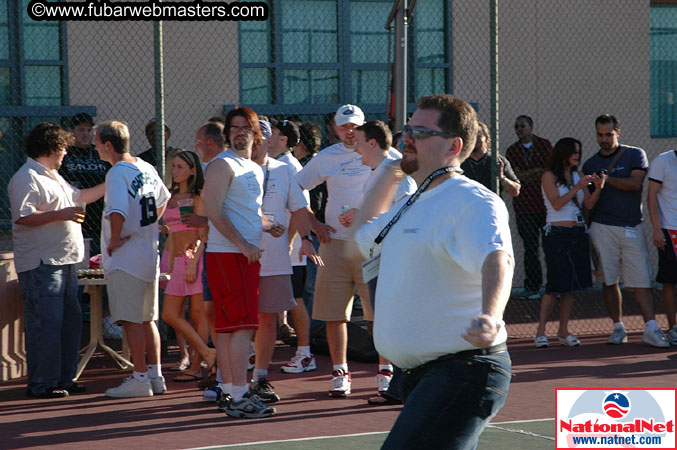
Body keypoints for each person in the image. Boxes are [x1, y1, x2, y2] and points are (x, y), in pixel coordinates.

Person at [347, 94, 513, 449]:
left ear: (453, 146)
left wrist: (490, 315)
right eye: (407, 129)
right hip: (421, 376)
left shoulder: (473, 200)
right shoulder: (412, 203)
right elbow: (358, 240)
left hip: (463, 370)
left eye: (420, 132)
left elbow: (498, 258)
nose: (407, 137)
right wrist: (391, 173)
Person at [9, 122, 105, 398]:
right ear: (51, 148)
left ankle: (64, 378)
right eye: (62, 149)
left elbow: (82, 197)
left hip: (66, 263)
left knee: (69, 323)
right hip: (42, 265)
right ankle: (42, 383)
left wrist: (112, 181)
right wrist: (60, 214)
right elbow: (22, 216)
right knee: (46, 324)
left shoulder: (54, 176)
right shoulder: (26, 177)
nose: (65, 154)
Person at [203, 107, 275, 418]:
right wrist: (243, 244)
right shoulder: (222, 165)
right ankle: (239, 395)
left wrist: (268, 224)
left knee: (233, 328)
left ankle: (233, 393)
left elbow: (245, 211)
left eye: (246, 127)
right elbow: (214, 212)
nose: (240, 132)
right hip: (229, 255)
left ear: (257, 132)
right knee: (241, 327)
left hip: (242, 254)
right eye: (234, 127)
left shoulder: (254, 168)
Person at [296, 104, 372, 397]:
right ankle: (340, 372)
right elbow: (297, 187)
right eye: (344, 127)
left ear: (364, 126)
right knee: (334, 315)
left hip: (371, 246)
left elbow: (403, 192)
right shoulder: (326, 158)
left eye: (354, 126)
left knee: (377, 314)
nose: (349, 132)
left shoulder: (386, 156)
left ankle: (386, 374)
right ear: (335, 129)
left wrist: (364, 214)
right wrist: (314, 223)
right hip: (334, 245)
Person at [95, 121, 171, 397]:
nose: (94, 146)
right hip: (148, 253)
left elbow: (117, 210)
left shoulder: (117, 173)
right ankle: (155, 375)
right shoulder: (146, 166)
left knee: (131, 320)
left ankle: (140, 378)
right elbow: (164, 199)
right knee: (147, 318)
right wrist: (148, 224)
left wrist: (115, 238)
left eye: (97, 141)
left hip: (127, 258)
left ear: (108, 145)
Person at [582, 114, 669, 348]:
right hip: (602, 227)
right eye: (600, 135)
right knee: (609, 280)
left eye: (608, 134)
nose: (604, 139)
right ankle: (618, 328)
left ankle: (651, 328)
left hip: (632, 225)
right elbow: (589, 200)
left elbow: (635, 184)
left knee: (641, 280)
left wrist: (607, 180)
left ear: (618, 133)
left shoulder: (635, 154)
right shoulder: (590, 164)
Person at [250, 120, 322, 402]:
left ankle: (304, 353)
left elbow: (301, 208)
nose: (261, 141)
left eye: (269, 135)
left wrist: (294, 240)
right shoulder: (243, 167)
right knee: (266, 310)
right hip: (267, 251)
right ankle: (245, 364)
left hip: (285, 252)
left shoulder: (288, 167)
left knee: (294, 300)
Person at [350, 120, 417, 403]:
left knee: (397, 322)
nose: (355, 148)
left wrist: (367, 223)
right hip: (378, 260)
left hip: (396, 261)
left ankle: (405, 385)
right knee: (387, 322)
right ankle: (401, 385)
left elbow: (404, 218)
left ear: (373, 143)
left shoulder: (400, 176)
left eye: (359, 141)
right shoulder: (375, 175)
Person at [534, 138, 603, 348]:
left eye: (579, 152)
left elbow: (589, 204)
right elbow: (556, 204)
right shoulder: (549, 176)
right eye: (573, 151)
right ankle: (540, 332)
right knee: (555, 284)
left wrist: (599, 188)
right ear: (563, 152)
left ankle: (563, 331)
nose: (577, 155)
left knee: (571, 285)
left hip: (578, 233)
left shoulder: (578, 175)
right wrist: (576, 188)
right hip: (557, 233)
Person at [159, 149, 216, 381]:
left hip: (197, 260)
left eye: (180, 167)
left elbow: (204, 233)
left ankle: (195, 366)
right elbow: (172, 234)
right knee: (170, 314)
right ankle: (207, 353)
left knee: (197, 315)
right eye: (173, 167)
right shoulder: (170, 199)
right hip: (178, 261)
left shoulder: (198, 197)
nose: (175, 171)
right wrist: (170, 263)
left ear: (193, 171)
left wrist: (193, 263)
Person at [505, 115, 552, 297]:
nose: (519, 130)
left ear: (531, 127)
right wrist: (535, 172)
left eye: (522, 126)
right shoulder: (512, 151)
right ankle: (533, 286)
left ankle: (553, 286)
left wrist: (527, 174)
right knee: (530, 249)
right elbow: (516, 177)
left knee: (550, 247)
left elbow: (548, 171)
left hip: (546, 205)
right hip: (524, 208)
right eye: (516, 127)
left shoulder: (544, 145)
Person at [59, 112, 111, 255]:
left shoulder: (99, 153)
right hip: (74, 214)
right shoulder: (64, 154)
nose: (85, 134)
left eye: (89, 130)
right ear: (71, 131)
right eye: (81, 130)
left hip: (99, 217)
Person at [648, 149, 677, 345]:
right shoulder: (663, 161)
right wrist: (656, 229)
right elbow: (651, 196)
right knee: (670, 281)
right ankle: (673, 328)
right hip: (669, 229)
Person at [461, 121, 520, 198]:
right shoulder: (460, 161)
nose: (473, 139)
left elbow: (515, 191)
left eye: (477, 135)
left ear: (487, 138)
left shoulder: (498, 161)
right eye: (471, 136)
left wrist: (501, 177)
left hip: (491, 205)